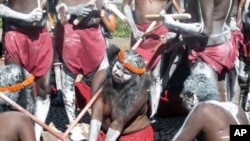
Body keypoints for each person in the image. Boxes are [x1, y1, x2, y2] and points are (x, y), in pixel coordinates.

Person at [54, 0, 110, 140]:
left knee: (105, 81)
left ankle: (102, 120)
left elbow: (110, 20)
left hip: (94, 38)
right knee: (68, 84)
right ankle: (74, 127)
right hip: (71, 37)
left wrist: (106, 8)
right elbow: (59, 14)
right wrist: (73, 11)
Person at [162, 0, 238, 102]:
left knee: (203, 106)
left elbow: (206, 30)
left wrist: (172, 24)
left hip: (208, 52)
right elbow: (229, 22)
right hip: (224, 47)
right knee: (220, 99)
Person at [0, 0, 54, 140]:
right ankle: (16, 130)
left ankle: (35, 132)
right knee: (15, 88)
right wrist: (24, 17)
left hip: (42, 36)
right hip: (16, 35)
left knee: (44, 88)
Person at [122, 0, 175, 120]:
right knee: (134, 73)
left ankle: (153, 113)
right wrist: (134, 28)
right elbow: (125, 5)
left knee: (155, 76)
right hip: (140, 33)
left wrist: (172, 32)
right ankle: (131, 109)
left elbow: (175, 12)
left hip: (158, 32)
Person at [88, 47, 154, 141]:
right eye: (118, 67)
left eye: (125, 72)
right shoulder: (101, 77)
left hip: (133, 136)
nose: (118, 73)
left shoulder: (139, 94)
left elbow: (118, 123)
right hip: (105, 132)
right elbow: (96, 112)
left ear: (135, 78)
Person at [172, 73, 249, 141]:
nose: (183, 106)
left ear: (192, 97)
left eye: (183, 99)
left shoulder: (202, 109)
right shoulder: (236, 108)